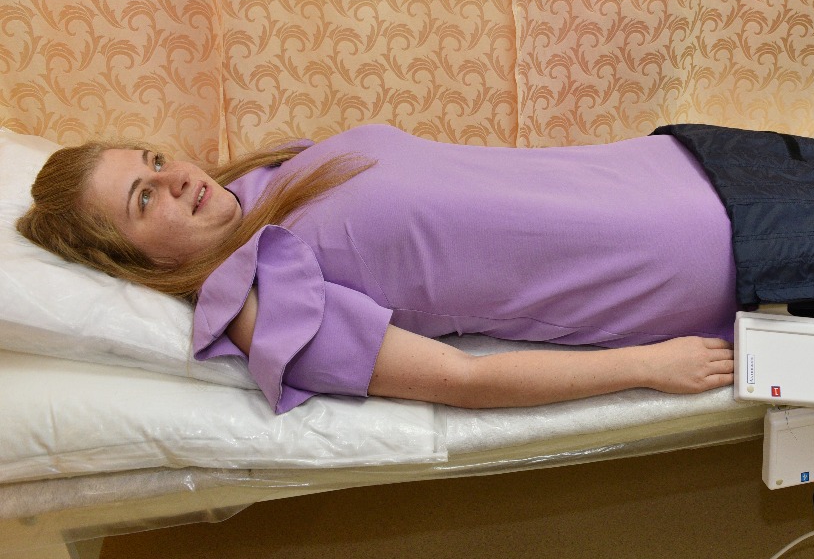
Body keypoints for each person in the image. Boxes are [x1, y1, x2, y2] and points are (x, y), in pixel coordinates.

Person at [18, 125, 738, 413]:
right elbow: (464, 380)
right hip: (688, 256)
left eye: (153, 160)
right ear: (131, 262)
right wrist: (646, 366)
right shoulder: (262, 300)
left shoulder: (261, 182)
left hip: (673, 164)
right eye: (145, 199)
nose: (174, 176)